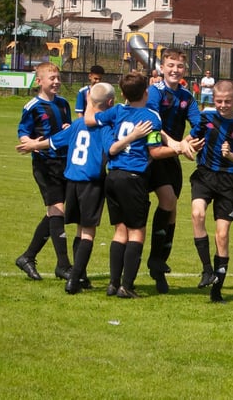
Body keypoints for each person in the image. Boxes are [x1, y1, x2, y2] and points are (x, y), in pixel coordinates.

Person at [15, 82, 118, 293]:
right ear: (111, 103)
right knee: (86, 232)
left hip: (72, 181)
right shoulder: (105, 127)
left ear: (89, 100)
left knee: (77, 228)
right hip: (91, 183)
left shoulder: (77, 125)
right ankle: (74, 278)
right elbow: (112, 149)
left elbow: (54, 141)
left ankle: (77, 273)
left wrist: (34, 145)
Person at [85, 73, 166, 298]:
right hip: (134, 177)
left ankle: (113, 283)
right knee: (137, 232)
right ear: (146, 92)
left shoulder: (117, 111)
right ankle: (127, 286)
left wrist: (92, 98)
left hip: (113, 176)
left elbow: (90, 120)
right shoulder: (151, 117)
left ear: (122, 94)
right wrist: (178, 148)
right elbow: (154, 151)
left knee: (120, 231)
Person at [188, 80, 233, 302]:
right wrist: (186, 145)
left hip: (228, 181)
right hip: (205, 174)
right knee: (197, 214)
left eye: (228, 101)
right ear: (213, 99)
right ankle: (207, 270)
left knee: (222, 235)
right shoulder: (206, 116)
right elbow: (192, 137)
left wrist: (229, 154)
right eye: (219, 101)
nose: (223, 105)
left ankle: (217, 291)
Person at [145, 49, 203, 293]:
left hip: (171, 157)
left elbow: (200, 124)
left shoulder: (187, 96)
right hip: (149, 155)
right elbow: (153, 123)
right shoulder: (154, 92)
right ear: (162, 66)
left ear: (184, 70)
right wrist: (176, 144)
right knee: (161, 203)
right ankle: (144, 264)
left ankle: (158, 263)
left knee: (171, 210)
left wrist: (186, 142)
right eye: (170, 65)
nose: (174, 70)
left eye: (179, 66)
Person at [15, 62, 73, 281]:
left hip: (63, 162)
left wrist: (69, 128)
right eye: (52, 78)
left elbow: (66, 128)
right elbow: (23, 130)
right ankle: (64, 265)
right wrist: (28, 141)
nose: (56, 81)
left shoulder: (64, 104)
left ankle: (28, 257)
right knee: (57, 210)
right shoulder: (32, 106)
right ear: (39, 81)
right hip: (44, 164)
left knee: (54, 213)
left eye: (58, 77)